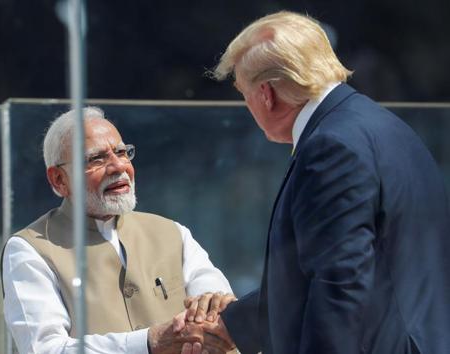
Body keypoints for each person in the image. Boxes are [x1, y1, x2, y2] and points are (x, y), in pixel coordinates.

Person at [177, 10, 450, 354]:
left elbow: (339, 283)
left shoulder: (330, 146)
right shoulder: (379, 124)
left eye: (243, 93)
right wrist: (231, 323)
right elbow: (320, 270)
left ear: (265, 94)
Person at [1, 106, 236, 354]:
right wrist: (148, 342)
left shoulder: (173, 234)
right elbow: (46, 350)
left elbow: (218, 305)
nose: (118, 167)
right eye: (96, 159)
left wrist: (211, 314)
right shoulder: (30, 249)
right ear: (59, 179)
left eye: (122, 153)